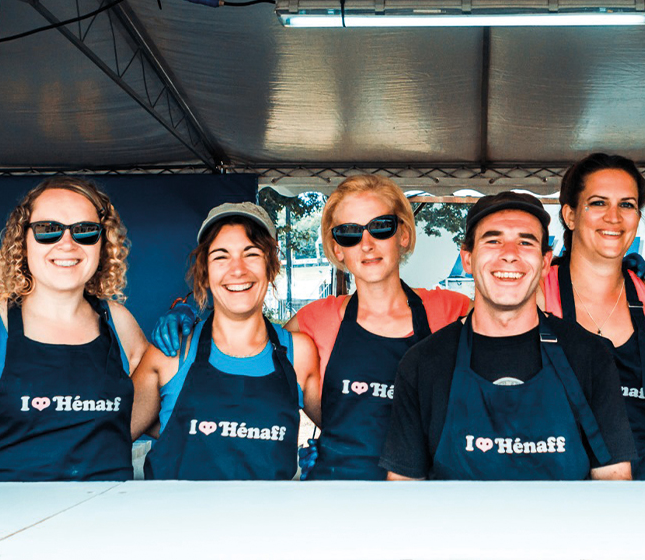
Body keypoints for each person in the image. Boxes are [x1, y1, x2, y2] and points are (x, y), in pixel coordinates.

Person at [151, 175, 470, 480]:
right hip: (335, 495)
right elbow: (242, 348)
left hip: (424, 498)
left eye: (381, 227)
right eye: (349, 232)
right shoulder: (313, 321)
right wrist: (190, 309)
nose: (367, 244)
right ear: (337, 248)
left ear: (403, 235)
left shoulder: (453, 311)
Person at [381, 192, 637, 480]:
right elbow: (403, 491)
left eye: (526, 242)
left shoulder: (590, 356)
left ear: (544, 262)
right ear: (467, 258)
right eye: (493, 240)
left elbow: (614, 482)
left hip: (563, 525)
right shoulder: (423, 363)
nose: (510, 253)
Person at [0, 176, 148, 482]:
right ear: (23, 242)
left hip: (99, 523)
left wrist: (196, 336)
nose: (66, 244)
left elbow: (171, 405)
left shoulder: (119, 324)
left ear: (102, 243)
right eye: (48, 230)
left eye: (84, 231)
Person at [131, 202, 319, 480]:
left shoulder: (298, 353)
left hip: (267, 522)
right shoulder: (172, 353)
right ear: (204, 272)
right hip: (176, 521)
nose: (238, 270)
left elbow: (349, 434)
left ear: (271, 266)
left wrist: (331, 455)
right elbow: (107, 436)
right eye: (221, 257)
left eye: (251, 253)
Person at [540, 153, 645, 479]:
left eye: (627, 205)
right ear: (570, 215)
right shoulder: (537, 297)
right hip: (558, 509)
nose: (614, 217)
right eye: (598, 203)